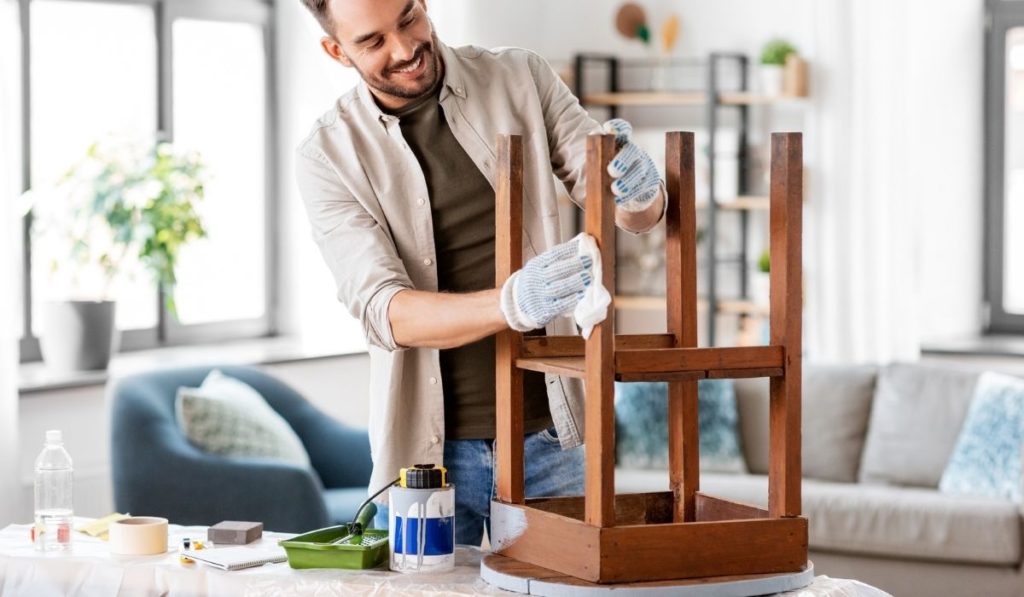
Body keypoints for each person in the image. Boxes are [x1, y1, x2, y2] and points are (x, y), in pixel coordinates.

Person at [295, 0, 665, 545]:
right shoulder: (328, 155)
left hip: (553, 435)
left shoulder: (520, 76)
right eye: (373, 42)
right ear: (336, 50)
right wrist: (512, 303)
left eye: (408, 19)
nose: (404, 49)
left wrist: (641, 192)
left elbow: (619, 203)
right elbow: (384, 309)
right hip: (427, 457)